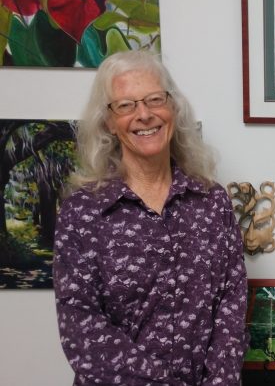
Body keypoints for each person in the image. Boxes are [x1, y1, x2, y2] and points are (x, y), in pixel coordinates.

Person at [53, 50, 248, 385]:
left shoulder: (212, 201)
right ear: (109, 123)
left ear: (172, 108)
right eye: (126, 105)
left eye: (155, 99)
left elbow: (231, 305)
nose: (144, 114)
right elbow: (81, 328)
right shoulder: (82, 212)